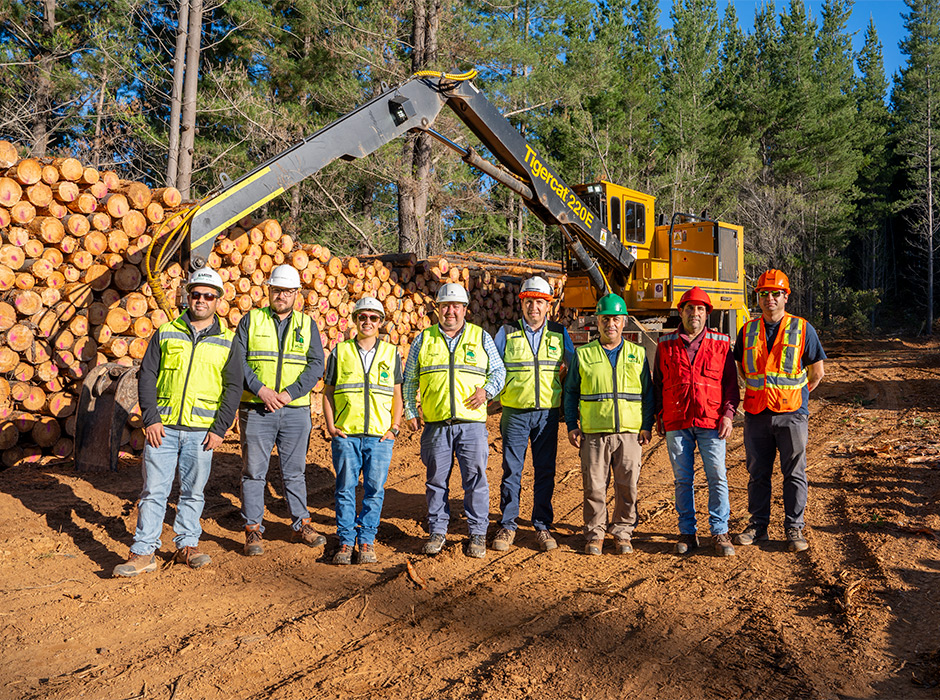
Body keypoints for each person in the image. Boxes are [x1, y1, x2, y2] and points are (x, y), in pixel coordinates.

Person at [113, 269, 241, 577]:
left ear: (218, 301)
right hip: (164, 429)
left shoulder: (228, 341)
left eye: (208, 295)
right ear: (188, 296)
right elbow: (147, 376)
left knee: (193, 492)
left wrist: (220, 428)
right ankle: (144, 552)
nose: (201, 300)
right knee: (153, 491)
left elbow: (233, 387)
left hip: (201, 433)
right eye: (195, 294)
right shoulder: (167, 332)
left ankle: (187, 545)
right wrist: (151, 419)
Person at [403, 283, 505, 559]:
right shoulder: (424, 339)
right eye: (445, 305)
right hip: (436, 425)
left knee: (475, 480)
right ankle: (437, 531)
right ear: (437, 309)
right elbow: (410, 378)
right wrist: (410, 411)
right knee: (436, 481)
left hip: (471, 424)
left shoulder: (480, 337)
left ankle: (477, 532)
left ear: (465, 310)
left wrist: (487, 391)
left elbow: (499, 372)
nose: (451, 311)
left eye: (456, 306)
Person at [733, 269, 826, 553]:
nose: (769, 299)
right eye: (764, 294)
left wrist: (797, 399)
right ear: (758, 297)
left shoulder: (802, 329)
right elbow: (741, 366)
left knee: (794, 473)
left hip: (792, 414)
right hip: (757, 414)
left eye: (775, 294)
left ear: (786, 297)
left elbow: (816, 372)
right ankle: (758, 525)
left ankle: (793, 527)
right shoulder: (747, 330)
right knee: (757, 473)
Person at [237, 263, 326, 556]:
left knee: (294, 472)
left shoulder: (306, 324)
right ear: (269, 290)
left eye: (287, 291)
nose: (282, 296)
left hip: (294, 411)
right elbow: (238, 361)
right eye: (277, 290)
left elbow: (316, 365)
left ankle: (301, 523)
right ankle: (252, 530)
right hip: (256, 408)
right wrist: (261, 390)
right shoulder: (252, 320)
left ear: (296, 293)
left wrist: (288, 394)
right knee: (253, 472)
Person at [563, 293, 654, 555]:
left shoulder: (638, 354)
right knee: (594, 486)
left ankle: (623, 531)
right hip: (594, 432)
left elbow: (647, 394)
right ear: (597, 322)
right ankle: (595, 533)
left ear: (624, 321)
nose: (610, 324)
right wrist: (572, 424)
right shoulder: (584, 354)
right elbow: (570, 392)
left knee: (627, 486)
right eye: (605, 319)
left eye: (615, 319)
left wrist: (646, 424)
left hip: (629, 434)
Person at [653, 287, 740, 557]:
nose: (695, 313)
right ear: (681, 312)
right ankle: (687, 533)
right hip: (677, 421)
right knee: (683, 479)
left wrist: (728, 414)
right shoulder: (666, 344)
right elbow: (659, 384)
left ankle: (719, 531)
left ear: (707, 313)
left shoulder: (721, 343)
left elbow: (730, 384)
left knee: (717, 476)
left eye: (700, 309)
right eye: (690, 308)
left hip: (711, 420)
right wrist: (659, 415)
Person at [492, 276, 574, 552]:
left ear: (548, 305)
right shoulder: (507, 332)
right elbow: (493, 369)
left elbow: (574, 372)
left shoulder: (559, 333)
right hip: (514, 413)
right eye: (529, 302)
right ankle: (507, 524)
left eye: (539, 302)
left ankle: (542, 525)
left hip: (547, 415)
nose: (534, 308)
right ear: (522, 304)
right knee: (511, 470)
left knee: (545, 471)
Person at [322, 296, 403, 565]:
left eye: (373, 317)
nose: (367, 322)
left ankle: (366, 539)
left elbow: (397, 395)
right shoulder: (340, 351)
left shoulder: (391, 353)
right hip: (347, 435)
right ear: (355, 320)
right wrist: (331, 426)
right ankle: (346, 541)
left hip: (380, 437)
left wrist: (395, 428)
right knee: (344, 489)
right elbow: (328, 392)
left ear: (381, 322)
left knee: (374, 489)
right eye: (362, 317)